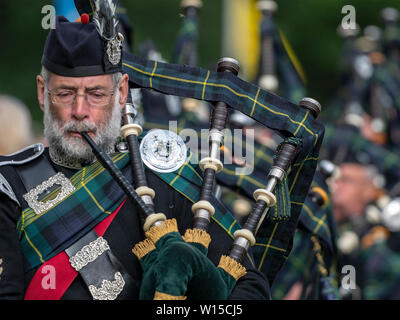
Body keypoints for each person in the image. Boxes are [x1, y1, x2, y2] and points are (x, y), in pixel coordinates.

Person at [0, 15, 270, 300]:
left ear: (121, 93)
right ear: (43, 93)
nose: (80, 110)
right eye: (65, 93)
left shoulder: (162, 174)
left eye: (95, 93)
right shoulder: (9, 186)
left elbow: (249, 286)